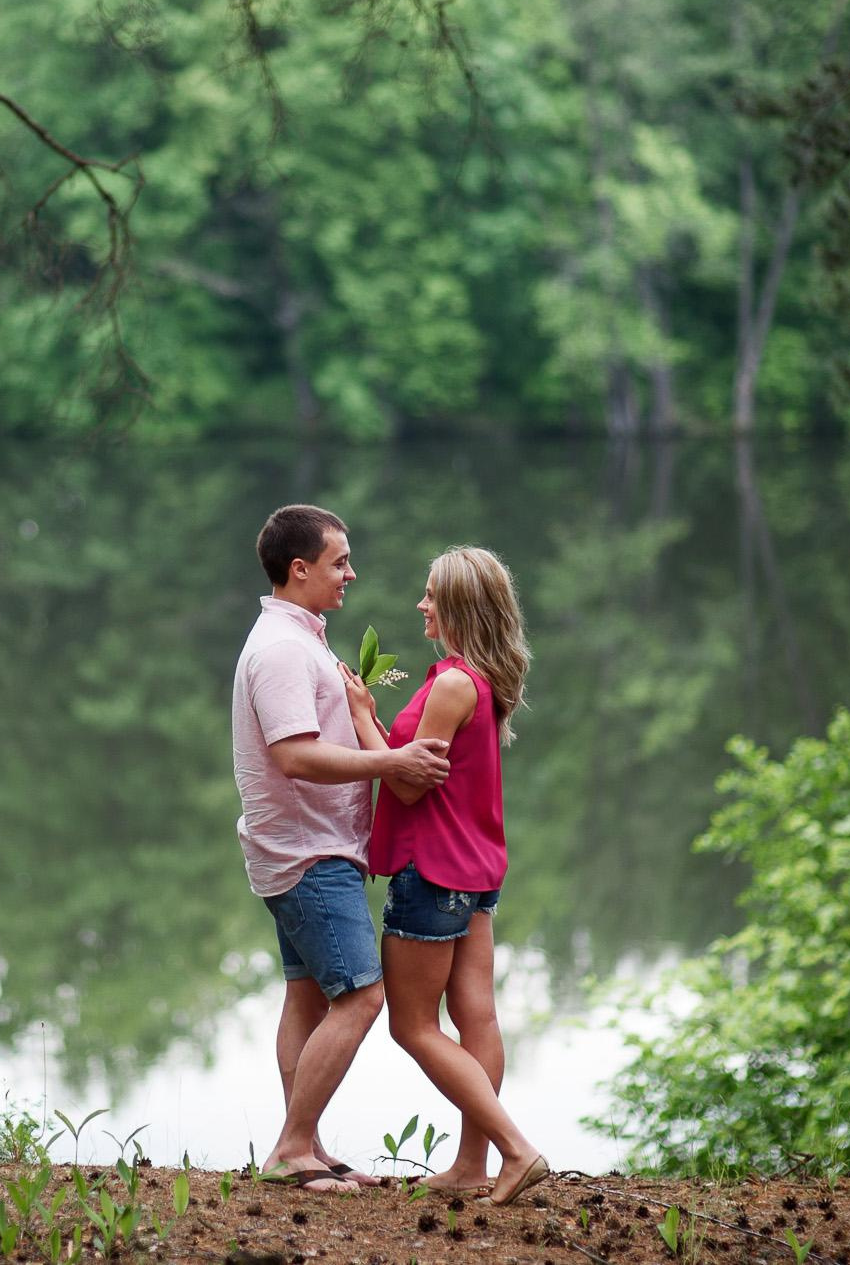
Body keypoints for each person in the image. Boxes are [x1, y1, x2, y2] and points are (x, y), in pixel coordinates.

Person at [232, 504, 453, 1194]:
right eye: (339, 562)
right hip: (307, 855)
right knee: (359, 996)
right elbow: (296, 757)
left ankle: (308, 1144)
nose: (350, 573)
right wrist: (392, 764)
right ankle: (291, 1148)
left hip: (312, 849)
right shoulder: (280, 651)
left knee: (307, 998)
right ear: (300, 569)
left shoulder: (302, 639)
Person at [343, 545, 549, 1206]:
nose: (421, 604)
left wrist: (357, 721)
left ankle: (515, 1149)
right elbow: (416, 764)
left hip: (431, 871)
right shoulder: (477, 680)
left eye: (431, 594)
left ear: (458, 605)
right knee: (475, 1014)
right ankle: (471, 1163)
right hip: (476, 869)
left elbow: (403, 787)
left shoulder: (455, 682)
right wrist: (378, 723)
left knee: (413, 1025)